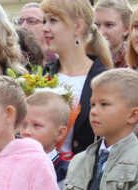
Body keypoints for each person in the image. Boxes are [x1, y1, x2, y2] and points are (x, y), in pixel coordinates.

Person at [42, 0, 112, 156]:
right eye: (44, 21)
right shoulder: (41, 75)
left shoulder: (105, 78)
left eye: (53, 20)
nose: (45, 28)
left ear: (77, 27)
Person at [93, 0, 133, 68]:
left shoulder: (132, 63)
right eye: (97, 24)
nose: (100, 31)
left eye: (109, 25)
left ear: (126, 29)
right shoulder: (84, 57)